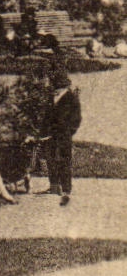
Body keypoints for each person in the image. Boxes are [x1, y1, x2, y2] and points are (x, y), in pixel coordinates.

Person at [44, 67, 82, 205]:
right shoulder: (52, 98)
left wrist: (68, 132)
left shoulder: (71, 98)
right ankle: (54, 186)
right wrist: (46, 131)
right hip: (51, 135)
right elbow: (47, 117)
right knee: (51, 159)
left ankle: (66, 188)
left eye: (53, 84)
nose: (51, 87)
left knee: (64, 161)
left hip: (64, 135)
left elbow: (76, 119)